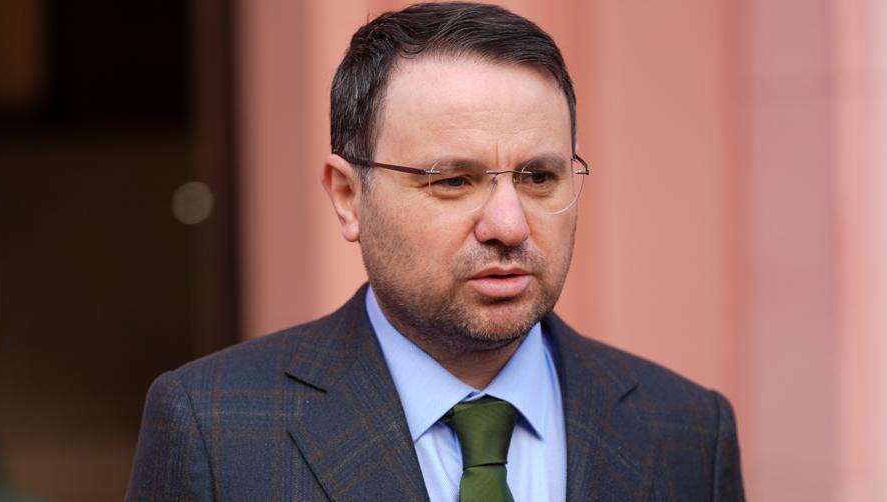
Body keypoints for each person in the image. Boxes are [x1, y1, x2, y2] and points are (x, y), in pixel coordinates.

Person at [126, 3, 745, 501]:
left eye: (538, 177)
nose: (509, 225)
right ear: (348, 197)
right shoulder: (215, 428)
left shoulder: (687, 431)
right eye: (453, 180)